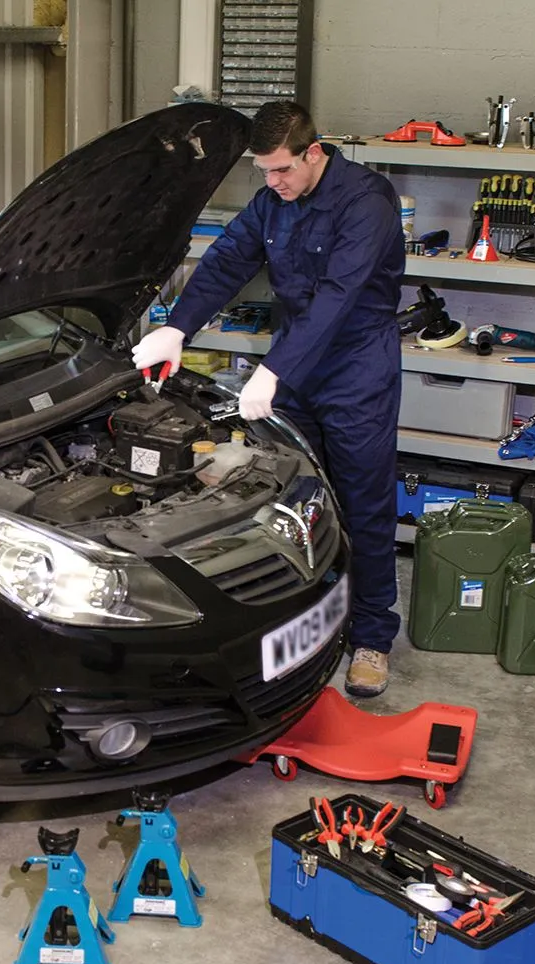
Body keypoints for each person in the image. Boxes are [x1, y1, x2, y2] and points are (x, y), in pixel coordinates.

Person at [131, 101, 404, 697]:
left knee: (364, 503)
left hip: (357, 366)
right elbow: (227, 260)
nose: (273, 181)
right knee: (297, 498)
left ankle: (372, 637)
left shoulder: (367, 202)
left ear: (314, 152)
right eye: (263, 171)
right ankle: (312, 621)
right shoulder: (272, 201)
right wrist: (178, 327)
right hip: (295, 363)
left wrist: (273, 370)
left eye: (282, 169)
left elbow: (338, 298)